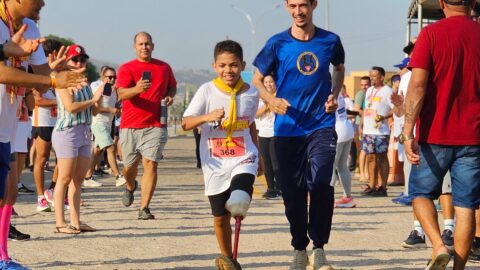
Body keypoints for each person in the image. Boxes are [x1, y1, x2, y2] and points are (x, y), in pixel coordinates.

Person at [252, 0, 345, 268]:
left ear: (314, 5)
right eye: (292, 5)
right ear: (286, 7)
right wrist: (271, 100)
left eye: (303, 5)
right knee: (292, 193)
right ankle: (298, 248)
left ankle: (319, 247)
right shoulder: (276, 43)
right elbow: (257, 79)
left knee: (320, 185)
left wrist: (334, 93)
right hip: (288, 128)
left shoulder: (330, 41)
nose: (298, 11)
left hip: (321, 125)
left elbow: (338, 69)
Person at [0, 11, 85, 270]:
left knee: (9, 192)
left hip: (9, 122)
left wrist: (52, 70)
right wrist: (47, 77)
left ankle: (2, 256)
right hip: (15, 122)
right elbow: (3, 73)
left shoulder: (30, 28)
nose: (43, 3)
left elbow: (39, 78)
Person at [402, 0, 480, 269]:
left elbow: (419, 84)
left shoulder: (431, 34)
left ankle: (437, 245)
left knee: (421, 194)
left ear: (443, 3)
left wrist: (406, 129)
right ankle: (459, 266)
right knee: (466, 206)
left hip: (434, 134)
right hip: (474, 135)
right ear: (473, 3)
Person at [182, 39, 260, 270]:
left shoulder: (252, 93)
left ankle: (239, 199)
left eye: (234, 65)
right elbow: (186, 123)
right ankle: (228, 258)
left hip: (243, 155)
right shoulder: (207, 90)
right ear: (215, 66)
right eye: (223, 65)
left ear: (242, 65)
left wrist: (260, 156)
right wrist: (206, 117)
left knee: (238, 200)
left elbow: (251, 124)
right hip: (215, 162)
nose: (228, 70)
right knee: (219, 217)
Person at [116, 32, 176, 220]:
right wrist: (137, 89)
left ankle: (144, 207)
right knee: (129, 167)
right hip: (130, 125)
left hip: (155, 124)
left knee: (150, 164)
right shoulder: (126, 68)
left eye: (147, 44)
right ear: (135, 47)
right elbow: (121, 95)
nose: (144, 47)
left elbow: (172, 86)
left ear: (153, 46)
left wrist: (170, 95)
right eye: (141, 44)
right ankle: (130, 185)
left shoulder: (164, 68)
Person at [52, 44, 102, 234]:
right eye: (75, 59)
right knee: (63, 179)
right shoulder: (62, 80)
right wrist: (93, 99)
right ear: (67, 61)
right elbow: (71, 107)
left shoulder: (84, 83)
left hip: (84, 131)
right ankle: (59, 223)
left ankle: (75, 221)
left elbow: (94, 110)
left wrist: (98, 99)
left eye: (82, 59)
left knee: (78, 180)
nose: (79, 62)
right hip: (67, 131)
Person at [31, 38, 62, 212]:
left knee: (63, 159)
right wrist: (60, 102)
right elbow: (38, 100)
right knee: (41, 160)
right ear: (52, 54)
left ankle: (52, 190)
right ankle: (40, 197)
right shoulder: (39, 73)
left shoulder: (59, 73)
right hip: (42, 120)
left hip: (58, 121)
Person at [83, 66, 126, 188]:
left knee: (97, 151)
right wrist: (111, 109)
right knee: (111, 148)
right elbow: (95, 108)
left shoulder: (114, 90)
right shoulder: (99, 88)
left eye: (114, 77)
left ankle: (88, 177)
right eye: (109, 77)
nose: (112, 79)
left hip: (108, 123)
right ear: (103, 77)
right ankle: (118, 176)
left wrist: (118, 110)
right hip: (98, 123)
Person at [361, 66, 393, 197]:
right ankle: (372, 185)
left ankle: (383, 187)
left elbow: (394, 109)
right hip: (369, 130)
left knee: (382, 157)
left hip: (381, 131)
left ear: (382, 77)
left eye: (374, 76)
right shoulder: (369, 90)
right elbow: (365, 108)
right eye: (371, 75)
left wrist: (384, 117)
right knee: (370, 157)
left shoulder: (387, 91)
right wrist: (362, 125)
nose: (372, 78)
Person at [255, 75, 280, 199]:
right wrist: (266, 106)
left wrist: (272, 103)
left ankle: (279, 187)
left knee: (276, 161)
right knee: (266, 162)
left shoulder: (279, 97)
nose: (269, 84)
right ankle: (270, 188)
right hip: (263, 133)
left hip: (276, 133)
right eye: (266, 82)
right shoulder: (259, 99)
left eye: (271, 81)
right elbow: (256, 114)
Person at [331, 91, 355, 208]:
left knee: (330, 167)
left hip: (337, 131)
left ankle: (327, 199)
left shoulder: (328, 93)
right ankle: (347, 197)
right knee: (342, 166)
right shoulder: (339, 93)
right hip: (347, 129)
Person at [354, 76, 370, 181]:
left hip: (367, 125)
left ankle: (364, 171)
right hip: (361, 124)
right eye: (362, 85)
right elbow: (357, 109)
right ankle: (360, 171)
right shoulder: (361, 94)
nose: (364, 87)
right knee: (362, 149)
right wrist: (368, 113)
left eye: (366, 84)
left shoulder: (370, 93)